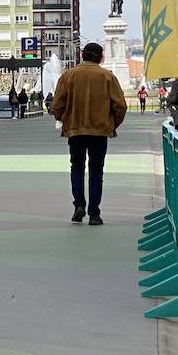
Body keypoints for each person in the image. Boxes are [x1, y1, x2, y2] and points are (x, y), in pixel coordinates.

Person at [50, 41, 128, 226]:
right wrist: (111, 123)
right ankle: (94, 213)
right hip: (99, 131)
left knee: (76, 167)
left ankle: (79, 205)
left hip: (75, 130)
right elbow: (121, 106)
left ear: (82, 55)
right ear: (101, 57)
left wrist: (66, 120)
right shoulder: (107, 77)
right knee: (96, 171)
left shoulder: (68, 76)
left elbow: (57, 105)